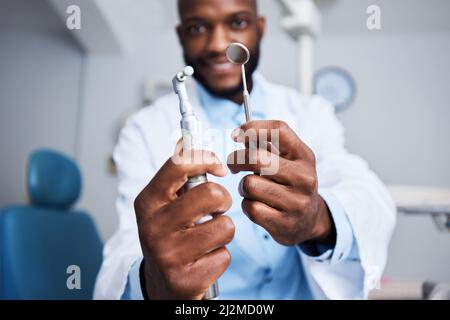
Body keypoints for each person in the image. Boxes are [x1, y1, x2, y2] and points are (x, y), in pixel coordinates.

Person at [94, 0, 396, 300]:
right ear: (181, 35)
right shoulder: (144, 130)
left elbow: (367, 195)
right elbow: (125, 251)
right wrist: (153, 281)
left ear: (260, 27)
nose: (218, 43)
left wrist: (317, 219)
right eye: (197, 27)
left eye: (237, 22)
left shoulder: (311, 113)